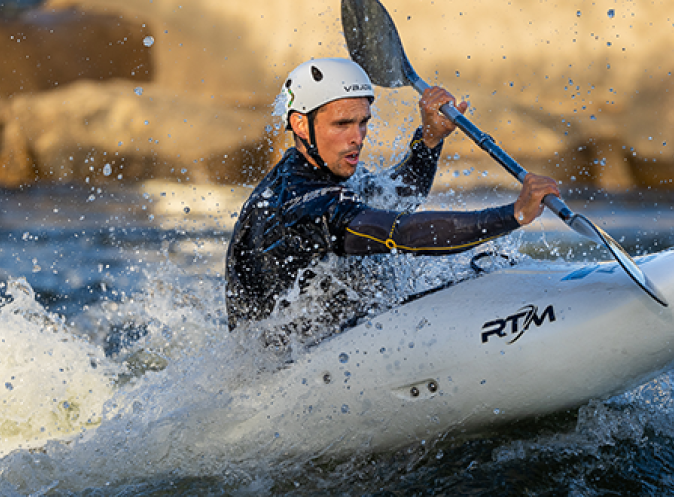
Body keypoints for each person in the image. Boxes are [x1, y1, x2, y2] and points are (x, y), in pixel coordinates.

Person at [225, 57, 560, 334]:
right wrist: (514, 214)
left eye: (363, 123)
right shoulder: (301, 202)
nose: (357, 138)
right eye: (342, 125)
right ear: (300, 125)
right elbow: (402, 232)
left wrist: (428, 141)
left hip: (331, 336)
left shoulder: (321, 173)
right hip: (289, 366)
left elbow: (398, 197)